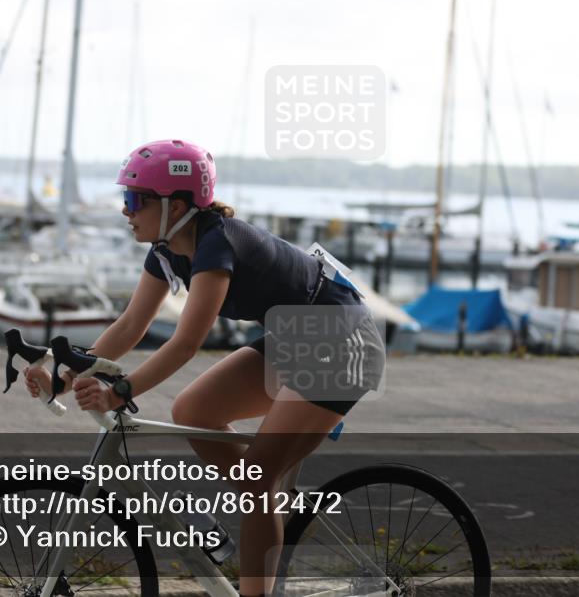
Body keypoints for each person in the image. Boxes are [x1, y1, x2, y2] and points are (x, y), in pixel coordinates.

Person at [24, 139, 385, 596]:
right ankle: (256, 510)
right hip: (298, 338)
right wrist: (63, 375)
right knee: (193, 410)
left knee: (254, 482)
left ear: (176, 206)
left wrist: (123, 390)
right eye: (125, 198)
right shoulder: (166, 250)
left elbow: (187, 342)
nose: (124, 210)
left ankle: (255, 525)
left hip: (343, 342)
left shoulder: (218, 244)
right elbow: (131, 324)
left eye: (134, 200)